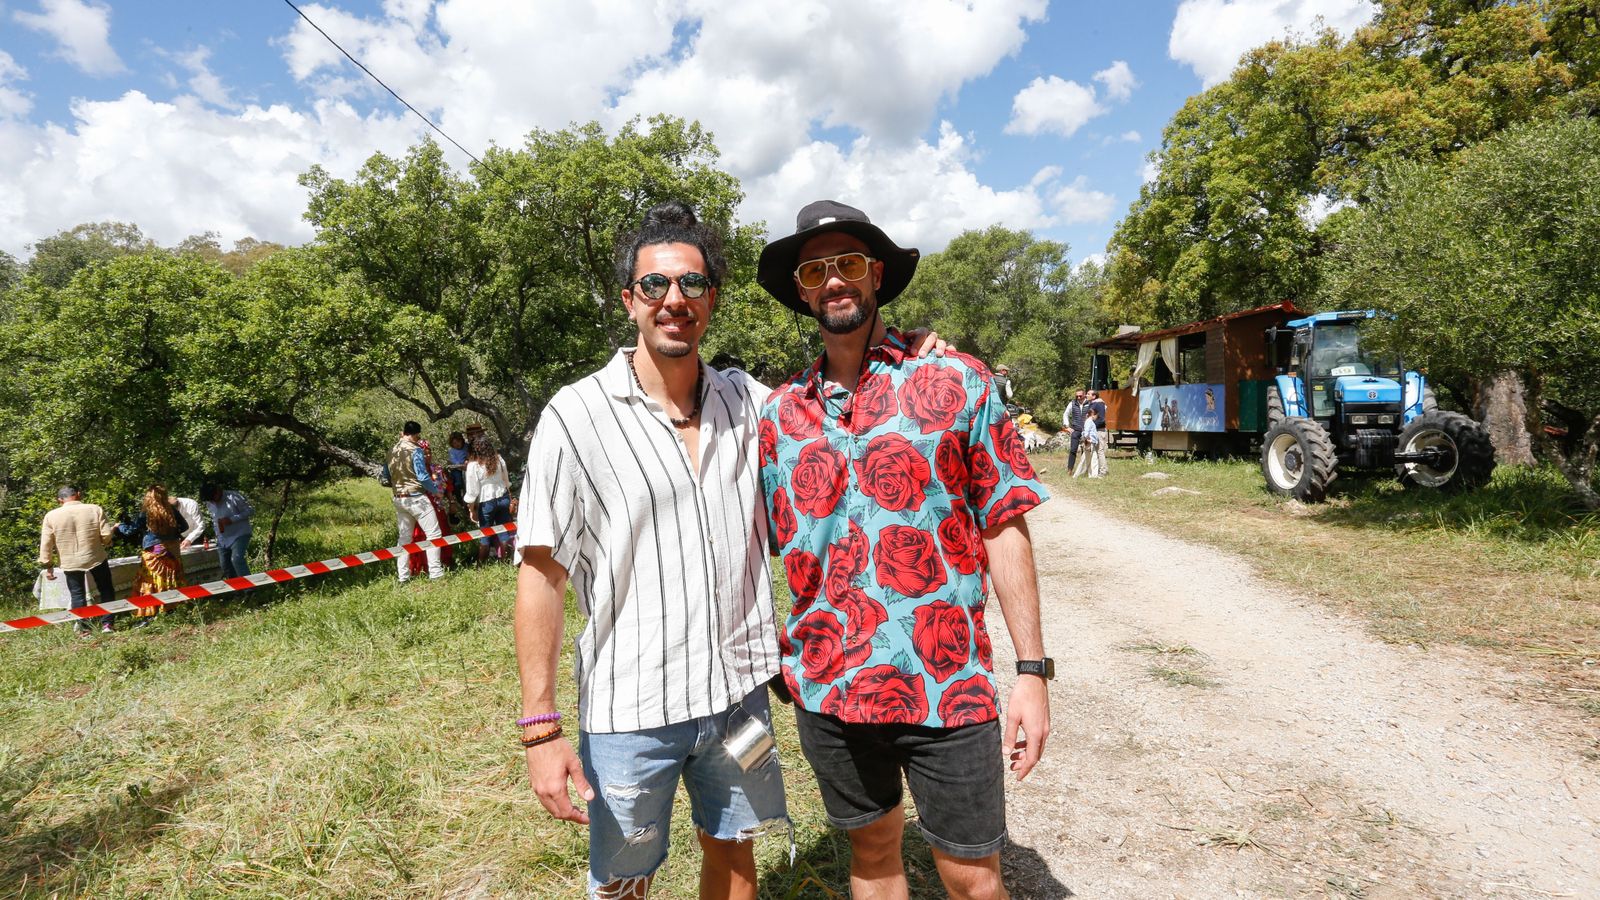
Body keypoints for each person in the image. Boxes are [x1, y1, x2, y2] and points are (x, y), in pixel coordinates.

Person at [754, 200, 1053, 900]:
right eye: (815, 269)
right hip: (829, 689)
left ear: (876, 275)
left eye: (849, 263)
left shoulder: (957, 382)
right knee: (874, 857)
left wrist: (1033, 672)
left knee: (974, 875)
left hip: (947, 685)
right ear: (801, 289)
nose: (834, 280)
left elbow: (1005, 525)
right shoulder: (778, 416)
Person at [512, 201, 790, 900]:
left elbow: (843, 404)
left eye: (692, 284)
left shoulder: (749, 402)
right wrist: (540, 727)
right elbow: (541, 574)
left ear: (713, 299)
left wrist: (903, 350)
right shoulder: (574, 417)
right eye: (656, 286)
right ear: (630, 300)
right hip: (632, 711)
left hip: (740, 700)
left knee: (736, 849)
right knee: (624, 879)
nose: (675, 300)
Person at [38, 484, 117, 636]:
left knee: (77, 594)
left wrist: (48, 565)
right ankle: (107, 624)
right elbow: (106, 535)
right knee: (106, 589)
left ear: (59, 500)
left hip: (70, 561)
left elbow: (46, 543)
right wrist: (106, 543)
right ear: (79, 494)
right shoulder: (95, 509)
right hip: (95, 556)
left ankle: (84, 630)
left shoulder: (51, 516)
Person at [116, 485, 190, 622]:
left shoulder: (146, 513)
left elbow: (130, 530)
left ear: (148, 497)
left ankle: (150, 614)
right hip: (172, 551)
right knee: (170, 579)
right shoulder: (172, 510)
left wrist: (119, 526)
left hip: (154, 551)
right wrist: (174, 534)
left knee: (148, 581)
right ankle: (170, 609)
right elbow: (185, 526)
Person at [387, 421, 444, 582]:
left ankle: (403, 577)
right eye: (418, 436)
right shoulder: (416, 450)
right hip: (417, 498)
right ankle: (436, 573)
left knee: (404, 538)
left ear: (403, 432)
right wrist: (436, 491)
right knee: (434, 534)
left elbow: (386, 474)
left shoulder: (392, 451)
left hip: (399, 498)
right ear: (416, 434)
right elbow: (422, 476)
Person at [462, 433, 512, 563]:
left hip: (486, 502)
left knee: (485, 534)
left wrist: (471, 510)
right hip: (503, 497)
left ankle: (480, 565)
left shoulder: (473, 466)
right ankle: (506, 561)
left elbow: (472, 492)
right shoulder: (499, 460)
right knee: (504, 532)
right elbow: (506, 481)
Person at [200, 482, 255, 579]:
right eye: (210, 500)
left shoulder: (234, 496)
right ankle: (236, 589)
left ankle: (249, 589)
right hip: (223, 538)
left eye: (213, 498)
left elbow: (250, 511)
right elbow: (214, 519)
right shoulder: (210, 502)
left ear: (217, 491)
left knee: (237, 559)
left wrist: (232, 519)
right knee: (225, 565)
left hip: (240, 533)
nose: (213, 501)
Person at [1062, 388, 1088, 472]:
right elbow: (1065, 414)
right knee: (1073, 450)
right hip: (1075, 429)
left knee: (1087, 450)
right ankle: (1070, 470)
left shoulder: (1090, 403)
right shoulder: (1072, 403)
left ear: (1084, 395)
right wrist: (1067, 426)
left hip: (1087, 430)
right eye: (1077, 396)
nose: (1079, 398)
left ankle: (1086, 470)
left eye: (1080, 396)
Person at [1073, 412, 1103, 478]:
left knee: (1094, 459)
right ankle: (1077, 475)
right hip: (1089, 443)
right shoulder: (1089, 421)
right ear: (1093, 415)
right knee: (1085, 460)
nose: (1096, 417)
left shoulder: (1090, 422)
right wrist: (1088, 439)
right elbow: (1086, 432)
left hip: (1091, 442)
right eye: (1096, 416)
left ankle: (1093, 475)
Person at [1087, 389, 1110, 477]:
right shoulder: (1092, 404)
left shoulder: (1099, 404)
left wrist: (1092, 426)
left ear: (1094, 396)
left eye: (1088, 394)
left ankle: (1103, 472)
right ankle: (1097, 470)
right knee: (1096, 451)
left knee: (1100, 451)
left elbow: (1101, 419)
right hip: (1095, 430)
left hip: (1099, 430)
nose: (1086, 395)